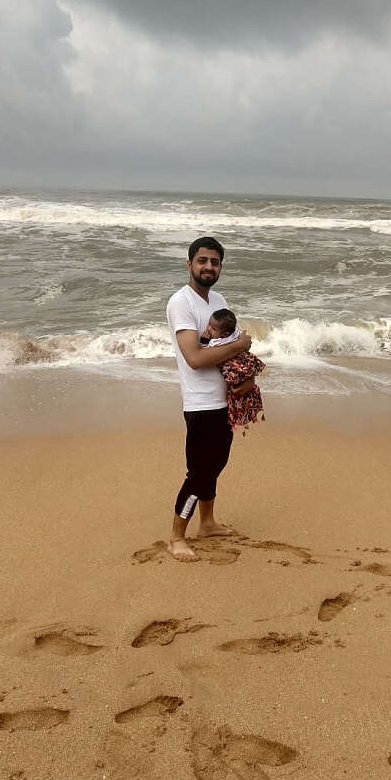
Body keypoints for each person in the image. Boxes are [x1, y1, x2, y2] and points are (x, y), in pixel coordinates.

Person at [166, 237, 254, 562]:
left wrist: (248, 375)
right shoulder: (181, 302)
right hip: (200, 404)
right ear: (189, 264)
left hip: (223, 402)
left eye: (214, 262)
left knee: (216, 465)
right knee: (199, 472)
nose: (208, 267)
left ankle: (207, 523)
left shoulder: (217, 299)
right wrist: (241, 345)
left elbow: (231, 350)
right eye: (202, 260)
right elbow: (195, 357)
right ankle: (177, 536)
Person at [203, 308, 266, 432]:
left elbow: (206, 353)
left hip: (233, 366)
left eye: (213, 329)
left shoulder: (216, 342)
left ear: (225, 334)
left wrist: (204, 339)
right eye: (209, 325)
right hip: (243, 363)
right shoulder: (235, 333)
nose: (209, 329)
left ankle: (238, 414)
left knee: (235, 392)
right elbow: (243, 339)